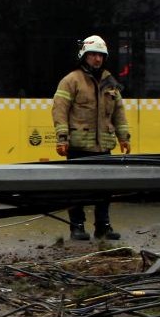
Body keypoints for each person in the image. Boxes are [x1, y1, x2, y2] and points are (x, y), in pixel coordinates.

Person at [51, 35, 131, 241]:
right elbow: (59, 110)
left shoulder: (109, 81)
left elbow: (119, 111)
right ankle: (77, 227)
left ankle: (103, 226)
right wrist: (62, 138)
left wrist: (124, 137)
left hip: (103, 146)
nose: (97, 59)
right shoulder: (71, 80)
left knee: (105, 190)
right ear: (84, 56)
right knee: (76, 189)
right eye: (93, 55)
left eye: (101, 56)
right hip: (78, 146)